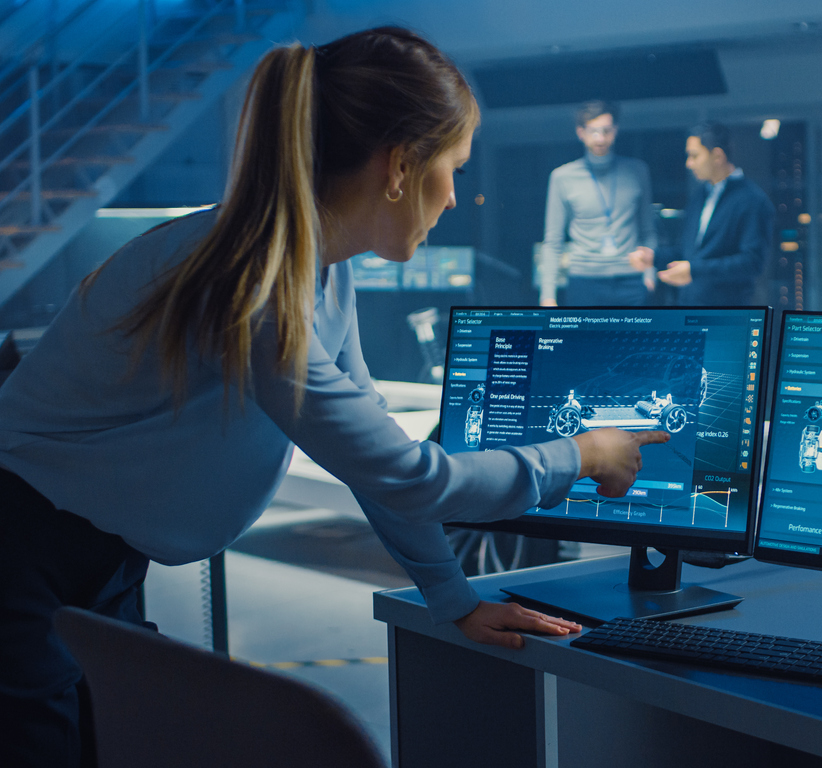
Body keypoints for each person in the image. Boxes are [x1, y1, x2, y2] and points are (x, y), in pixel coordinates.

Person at [0, 28, 664, 768]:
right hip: (22, 549)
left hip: (98, 559)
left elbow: (371, 454)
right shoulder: (251, 285)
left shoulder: (319, 269)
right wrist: (581, 452)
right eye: (452, 169)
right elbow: (410, 476)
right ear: (400, 168)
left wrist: (453, 598)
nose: (452, 198)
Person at [629, 121, 774, 306]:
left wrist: (694, 270)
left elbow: (752, 263)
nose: (689, 164)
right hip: (690, 306)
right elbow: (688, 252)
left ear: (717, 156)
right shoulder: (700, 196)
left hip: (728, 313)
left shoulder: (753, 200)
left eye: (694, 156)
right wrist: (654, 258)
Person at [539, 100, 658, 307]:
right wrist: (547, 295)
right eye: (593, 131)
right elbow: (553, 241)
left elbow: (648, 231)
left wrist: (650, 276)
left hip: (631, 279)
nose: (600, 138)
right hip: (583, 281)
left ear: (615, 130)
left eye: (606, 130)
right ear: (580, 132)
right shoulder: (562, 177)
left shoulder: (637, 171)